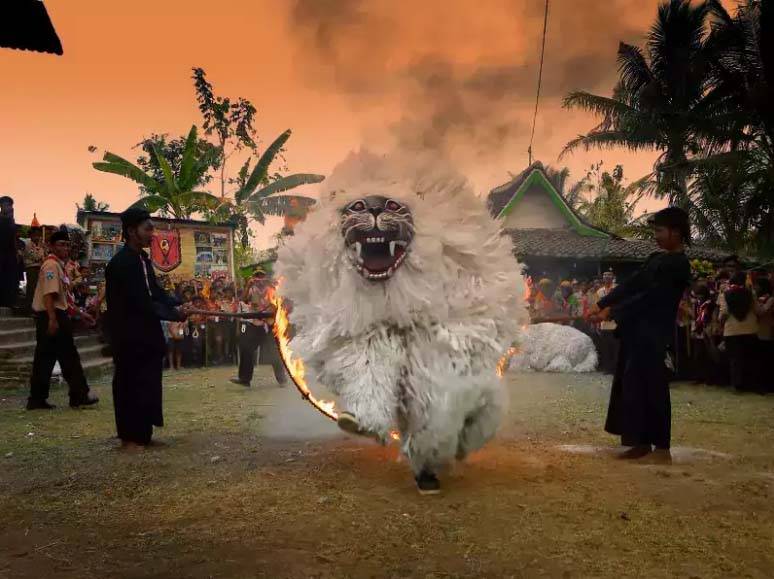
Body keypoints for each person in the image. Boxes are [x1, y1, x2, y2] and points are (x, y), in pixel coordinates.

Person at [588, 207, 692, 462]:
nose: (655, 236)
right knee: (633, 387)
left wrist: (613, 312)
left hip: (654, 334)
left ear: (676, 232)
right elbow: (633, 284)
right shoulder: (656, 258)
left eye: (660, 230)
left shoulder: (678, 264)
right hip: (636, 332)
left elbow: (650, 298)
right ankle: (640, 442)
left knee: (654, 388)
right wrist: (603, 304)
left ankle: (662, 448)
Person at [106, 208, 186, 451]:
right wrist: (173, 314)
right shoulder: (122, 263)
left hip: (147, 335)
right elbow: (140, 302)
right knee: (131, 385)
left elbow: (155, 292)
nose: (152, 233)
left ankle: (143, 434)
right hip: (129, 337)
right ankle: (130, 438)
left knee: (148, 383)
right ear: (131, 231)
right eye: (148, 228)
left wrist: (177, 302)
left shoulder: (142, 259)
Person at [26, 230, 98, 410]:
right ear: (51, 246)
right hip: (52, 316)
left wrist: (81, 314)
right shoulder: (51, 265)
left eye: (67, 244)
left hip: (55, 315)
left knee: (46, 358)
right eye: (60, 244)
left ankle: (37, 399)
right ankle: (79, 395)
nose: (65, 248)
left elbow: (63, 298)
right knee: (68, 356)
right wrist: (52, 319)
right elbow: (49, 295)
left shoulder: (60, 266)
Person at [231, 271, 287, 387]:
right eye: (257, 277)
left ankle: (282, 379)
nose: (259, 279)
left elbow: (278, 304)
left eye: (261, 276)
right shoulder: (251, 289)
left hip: (270, 323)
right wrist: (248, 286)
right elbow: (243, 300)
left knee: (274, 351)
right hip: (256, 323)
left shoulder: (272, 288)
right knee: (246, 348)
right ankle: (245, 379)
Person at [719, 271, 759, 393]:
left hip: (732, 330)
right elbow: (756, 309)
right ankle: (750, 383)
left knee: (735, 359)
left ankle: (737, 385)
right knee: (749, 357)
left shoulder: (725, 294)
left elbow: (724, 313)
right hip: (750, 329)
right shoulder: (750, 293)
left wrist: (720, 322)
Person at [595, 271, 619, 374]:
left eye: (609, 276)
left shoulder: (617, 289)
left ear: (613, 277)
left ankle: (616, 368)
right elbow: (597, 307)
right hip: (604, 323)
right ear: (603, 278)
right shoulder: (599, 292)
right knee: (606, 347)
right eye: (605, 276)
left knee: (616, 348)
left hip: (615, 323)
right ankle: (608, 368)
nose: (607, 277)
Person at [754, 276, 773, 393]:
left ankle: (767, 385)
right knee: (759, 361)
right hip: (757, 332)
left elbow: (761, 312)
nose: (755, 288)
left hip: (767, 332)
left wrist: (754, 301)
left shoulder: (771, 299)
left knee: (766, 361)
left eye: (757, 285)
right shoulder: (758, 299)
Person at [0, 196, 20, 308]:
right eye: (7, 204)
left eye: (11, 205)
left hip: (10, 253)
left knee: (10, 277)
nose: (10, 207)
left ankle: (9, 301)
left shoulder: (12, 221)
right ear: (2, 206)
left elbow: (13, 238)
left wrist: (16, 252)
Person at [23, 225, 46, 313]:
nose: (37, 237)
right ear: (31, 235)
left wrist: (41, 249)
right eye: (35, 235)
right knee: (31, 289)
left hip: (39, 268)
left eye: (38, 235)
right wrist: (41, 249)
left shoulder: (40, 245)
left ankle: (35, 308)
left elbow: (44, 256)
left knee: (38, 289)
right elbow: (36, 256)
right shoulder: (28, 244)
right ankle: (29, 308)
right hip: (31, 268)